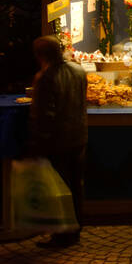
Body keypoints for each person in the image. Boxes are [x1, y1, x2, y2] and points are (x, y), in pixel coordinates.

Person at [28, 36, 87, 248]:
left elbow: (44, 115)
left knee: (60, 188)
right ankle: (76, 229)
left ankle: (63, 234)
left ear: (40, 55)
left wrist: (37, 143)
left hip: (58, 141)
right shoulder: (79, 71)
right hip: (79, 136)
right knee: (76, 186)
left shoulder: (45, 77)